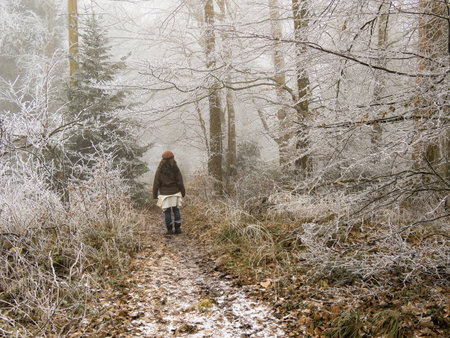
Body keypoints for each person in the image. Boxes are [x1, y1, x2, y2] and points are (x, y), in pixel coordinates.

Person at [152, 151, 186, 235]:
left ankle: (169, 229)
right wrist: (183, 192)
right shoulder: (175, 168)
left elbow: (156, 182)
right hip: (175, 192)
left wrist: (155, 194)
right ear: (172, 158)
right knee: (176, 210)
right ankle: (177, 228)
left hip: (164, 194)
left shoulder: (160, 169)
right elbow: (180, 181)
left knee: (167, 211)